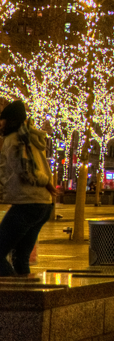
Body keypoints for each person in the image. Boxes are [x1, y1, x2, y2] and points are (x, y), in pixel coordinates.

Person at [0, 100, 57, 278]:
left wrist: (45, 181)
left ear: (10, 121)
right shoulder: (30, 137)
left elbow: (25, 170)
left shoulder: (14, 140)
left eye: (2, 120)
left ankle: (13, 294)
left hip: (27, 203)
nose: (0, 124)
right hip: (43, 204)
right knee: (20, 257)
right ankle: (28, 297)